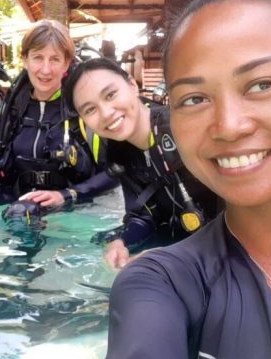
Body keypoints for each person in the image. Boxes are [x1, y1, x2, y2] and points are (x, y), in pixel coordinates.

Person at [81, 0, 271, 359]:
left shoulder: (166, 140)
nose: (229, 126)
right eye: (193, 98)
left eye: (263, 84)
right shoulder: (164, 280)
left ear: (134, 88)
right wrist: (124, 238)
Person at [63, 57, 219, 268]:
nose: (106, 113)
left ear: (132, 85)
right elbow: (143, 215)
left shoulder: (183, 127)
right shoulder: (120, 153)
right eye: (90, 110)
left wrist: (174, 256)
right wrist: (120, 242)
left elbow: (242, 213)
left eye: (111, 95)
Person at [0, 19, 116, 222]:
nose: (46, 69)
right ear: (25, 59)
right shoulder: (14, 106)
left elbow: (115, 172)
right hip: (19, 200)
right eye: (38, 58)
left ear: (66, 63)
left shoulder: (83, 108)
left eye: (55, 59)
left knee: (21, 217)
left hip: (74, 205)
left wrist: (67, 195)